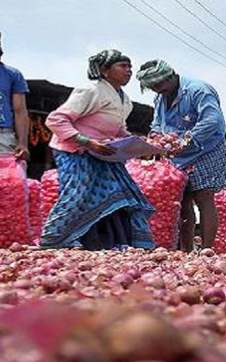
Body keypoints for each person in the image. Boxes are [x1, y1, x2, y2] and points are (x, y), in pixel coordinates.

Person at [41, 50, 155, 250]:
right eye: (122, 66)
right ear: (105, 70)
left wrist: (139, 143)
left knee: (119, 193)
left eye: (130, 67)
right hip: (75, 150)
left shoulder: (124, 99)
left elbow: (118, 129)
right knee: (79, 193)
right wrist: (87, 142)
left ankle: (104, 242)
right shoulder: (90, 90)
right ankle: (53, 239)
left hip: (103, 152)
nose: (128, 71)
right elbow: (56, 120)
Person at [136, 60, 226, 252]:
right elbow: (158, 124)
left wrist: (186, 140)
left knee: (204, 197)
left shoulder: (198, 90)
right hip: (177, 155)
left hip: (205, 149)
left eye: (159, 85)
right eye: (152, 87)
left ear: (171, 76)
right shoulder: (160, 98)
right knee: (182, 201)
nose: (157, 90)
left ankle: (207, 249)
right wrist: (155, 139)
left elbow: (213, 120)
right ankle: (186, 251)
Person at [0, 31, 30, 161]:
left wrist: (22, 143)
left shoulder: (12, 74)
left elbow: (20, 111)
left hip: (3, 136)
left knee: (7, 179)